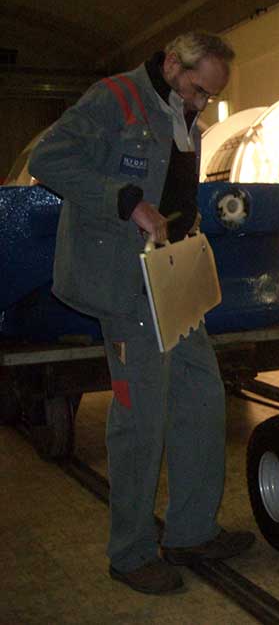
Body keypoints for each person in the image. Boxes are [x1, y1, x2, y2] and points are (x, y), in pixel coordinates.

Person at [29, 31, 255, 594]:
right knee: (141, 418)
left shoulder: (185, 116)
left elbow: (175, 186)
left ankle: (190, 532)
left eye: (210, 96)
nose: (202, 103)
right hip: (124, 282)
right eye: (199, 90)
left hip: (171, 277)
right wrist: (126, 201)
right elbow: (48, 159)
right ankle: (129, 554)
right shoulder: (115, 99)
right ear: (173, 63)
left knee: (202, 399)